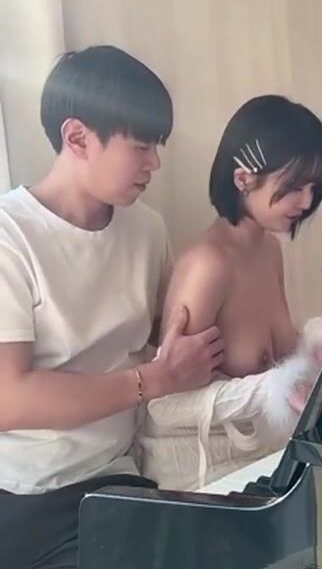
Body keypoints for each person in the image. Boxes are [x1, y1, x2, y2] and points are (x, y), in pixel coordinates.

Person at [0, 45, 224, 569]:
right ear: (77, 137)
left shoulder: (146, 228)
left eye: (157, 146)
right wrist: (152, 380)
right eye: (141, 146)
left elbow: (176, 339)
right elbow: (8, 399)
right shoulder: (11, 237)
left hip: (122, 475)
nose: (155, 163)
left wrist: (301, 360)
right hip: (30, 492)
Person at [140, 95, 322, 490]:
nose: (307, 201)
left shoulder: (267, 248)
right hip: (201, 479)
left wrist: (317, 345)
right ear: (242, 179)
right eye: (294, 186)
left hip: (262, 461)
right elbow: (165, 407)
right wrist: (270, 391)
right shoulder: (207, 266)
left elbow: (274, 354)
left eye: (313, 187)